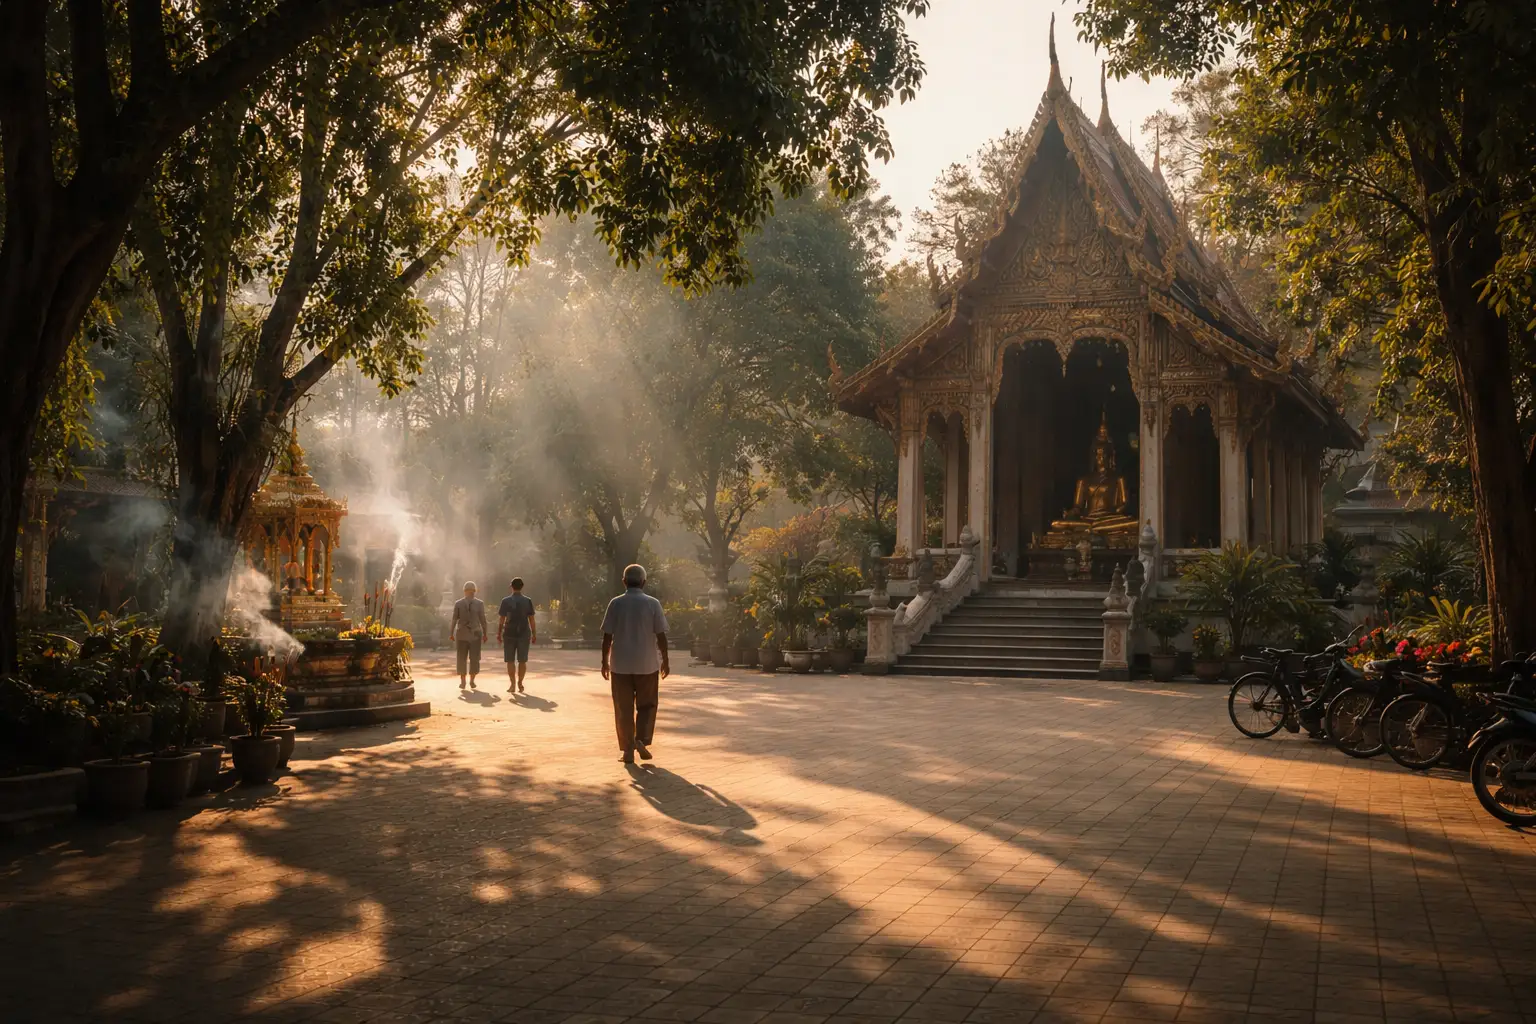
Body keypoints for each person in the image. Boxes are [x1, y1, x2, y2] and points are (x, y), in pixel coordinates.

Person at [600, 564, 669, 764]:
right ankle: (641, 740)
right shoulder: (653, 603)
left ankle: (628, 750)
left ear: (624, 581)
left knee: (623, 708)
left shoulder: (616, 603)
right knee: (647, 705)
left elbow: (607, 636)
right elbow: (661, 635)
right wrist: (665, 659)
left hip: (620, 664)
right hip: (647, 664)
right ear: (644, 582)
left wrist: (604, 661)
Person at [497, 577, 537, 693]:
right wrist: (534, 634)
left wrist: (499, 633)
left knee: (510, 660)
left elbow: (501, 619)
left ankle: (513, 684)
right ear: (522, 587)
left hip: (509, 633)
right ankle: (520, 682)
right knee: (522, 660)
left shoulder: (505, 601)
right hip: (524, 633)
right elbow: (532, 620)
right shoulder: (527, 601)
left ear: (512, 587)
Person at [450, 581, 489, 690]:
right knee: (473, 658)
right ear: (473, 591)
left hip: (464, 634)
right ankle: (469, 681)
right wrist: (485, 634)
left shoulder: (459, 603)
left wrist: (451, 633)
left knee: (464, 658)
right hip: (473, 634)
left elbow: (454, 620)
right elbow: (483, 620)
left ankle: (465, 681)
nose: (471, 593)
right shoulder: (478, 603)